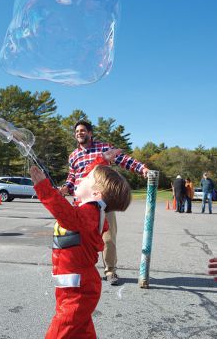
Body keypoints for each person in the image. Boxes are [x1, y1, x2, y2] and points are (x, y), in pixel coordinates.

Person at [30, 151, 132, 339]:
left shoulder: (89, 214)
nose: (81, 177)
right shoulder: (91, 208)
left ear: (96, 193)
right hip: (74, 285)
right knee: (80, 330)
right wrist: (102, 160)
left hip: (79, 290)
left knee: (62, 329)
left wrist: (44, 188)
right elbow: (93, 173)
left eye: (86, 177)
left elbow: (66, 215)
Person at [59, 120, 148, 285]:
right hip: (81, 204)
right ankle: (85, 270)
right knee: (82, 240)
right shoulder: (73, 156)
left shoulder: (103, 149)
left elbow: (124, 160)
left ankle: (110, 271)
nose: (80, 133)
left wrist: (142, 168)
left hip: (103, 202)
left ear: (90, 133)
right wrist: (65, 189)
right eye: (77, 131)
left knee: (108, 238)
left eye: (83, 130)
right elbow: (72, 179)